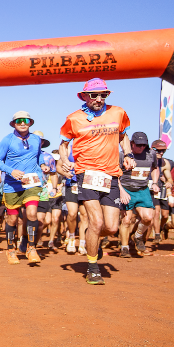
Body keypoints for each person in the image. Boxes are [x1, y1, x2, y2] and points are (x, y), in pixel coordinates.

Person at [60, 77, 134, 285]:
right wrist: (65, 161)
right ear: (84, 96)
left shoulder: (118, 112)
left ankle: (93, 237)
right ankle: (93, 269)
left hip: (110, 174)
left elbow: (123, 136)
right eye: (94, 95)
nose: (99, 99)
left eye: (104, 94)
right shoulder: (74, 119)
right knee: (97, 221)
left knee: (110, 227)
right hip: (87, 174)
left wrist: (128, 155)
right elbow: (64, 144)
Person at [0, 111, 43, 265]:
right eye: (19, 121)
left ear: (30, 123)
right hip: (11, 185)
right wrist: (11, 171)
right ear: (14, 123)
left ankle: (31, 248)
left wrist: (43, 165)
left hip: (32, 182)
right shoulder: (7, 140)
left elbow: (38, 156)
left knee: (32, 213)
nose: (23, 123)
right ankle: (10, 249)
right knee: (13, 219)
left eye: (26, 120)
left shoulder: (36, 139)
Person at [118, 132, 159, 258]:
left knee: (148, 217)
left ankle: (138, 236)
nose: (141, 147)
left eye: (144, 145)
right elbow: (115, 175)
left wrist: (155, 182)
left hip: (142, 190)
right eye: (139, 145)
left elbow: (155, 168)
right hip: (126, 189)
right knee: (126, 220)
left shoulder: (151, 154)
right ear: (132, 144)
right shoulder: (122, 155)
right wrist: (121, 191)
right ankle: (124, 248)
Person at [150, 139, 174, 244]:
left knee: (165, 215)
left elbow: (170, 179)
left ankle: (162, 227)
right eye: (159, 151)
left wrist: (169, 182)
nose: (161, 153)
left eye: (163, 151)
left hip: (163, 190)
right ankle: (157, 235)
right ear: (152, 149)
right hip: (152, 190)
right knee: (156, 213)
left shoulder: (165, 163)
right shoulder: (147, 160)